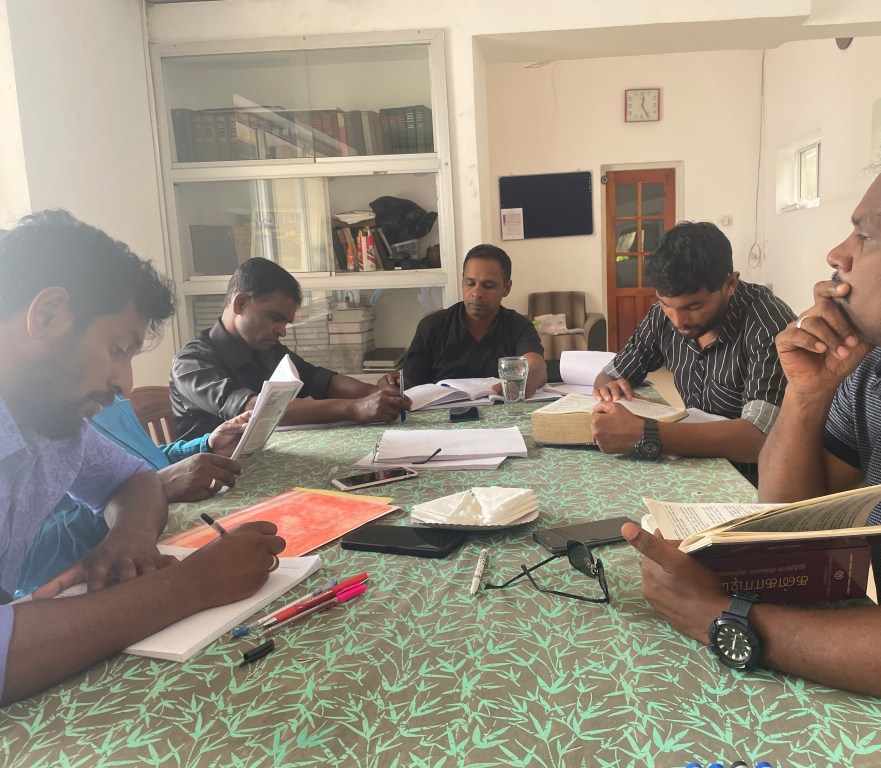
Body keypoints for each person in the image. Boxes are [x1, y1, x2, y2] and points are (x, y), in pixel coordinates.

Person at [625, 119, 881, 732]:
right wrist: (806, 396)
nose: (838, 254)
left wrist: (725, 618)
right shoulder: (876, 369)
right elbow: (790, 525)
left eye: (865, 234)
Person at [0, 209, 284, 705]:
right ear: (47, 316)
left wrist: (128, 537)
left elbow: (136, 479)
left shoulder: (53, 425)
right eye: (117, 348)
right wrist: (192, 584)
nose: (125, 383)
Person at [591, 222, 794, 482]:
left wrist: (646, 433)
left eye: (694, 307)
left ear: (730, 283)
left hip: (751, 480)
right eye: (666, 305)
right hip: (691, 466)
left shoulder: (769, 326)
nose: (678, 321)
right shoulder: (661, 317)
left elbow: (760, 438)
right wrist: (609, 391)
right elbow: (610, 374)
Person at [15, 401, 251, 598]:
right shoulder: (25, 420)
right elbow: (25, 561)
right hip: (72, 590)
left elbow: (139, 459)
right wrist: (154, 488)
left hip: (161, 547)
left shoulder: (107, 395)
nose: (125, 383)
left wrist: (203, 446)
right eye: (116, 355)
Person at [170, 257, 409, 440]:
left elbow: (321, 380)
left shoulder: (265, 348)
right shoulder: (191, 363)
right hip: (213, 480)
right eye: (275, 318)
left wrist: (378, 394)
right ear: (241, 303)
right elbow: (259, 409)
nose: (282, 331)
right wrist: (355, 408)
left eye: (285, 322)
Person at [400, 244, 547, 397]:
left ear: (506, 288)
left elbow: (536, 365)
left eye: (488, 286)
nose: (476, 293)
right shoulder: (433, 327)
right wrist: (394, 386)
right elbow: (411, 382)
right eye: (470, 283)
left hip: (502, 408)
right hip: (445, 410)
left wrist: (527, 381)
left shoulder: (519, 326)